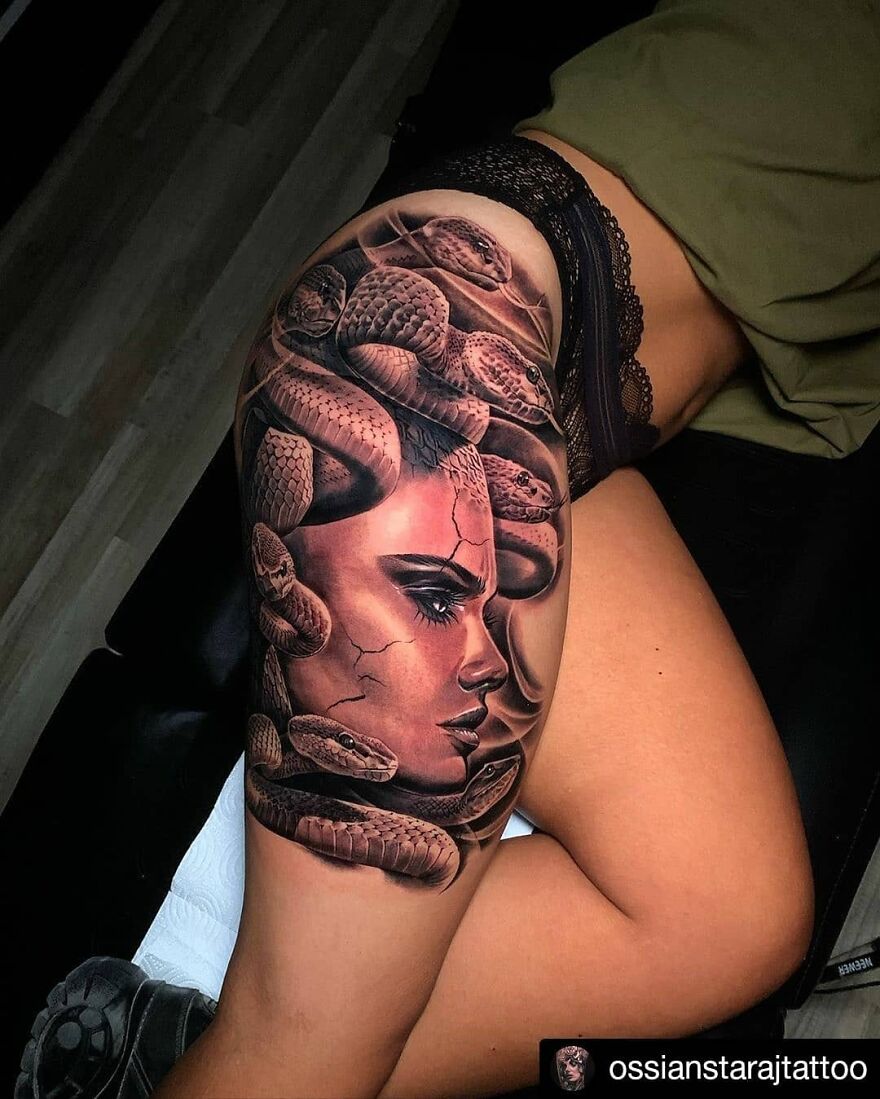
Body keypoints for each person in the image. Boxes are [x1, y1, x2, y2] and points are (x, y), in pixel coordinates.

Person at [20, 0, 878, 1094]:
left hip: (549, 408)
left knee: (732, 922)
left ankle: (162, 1055)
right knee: (307, 1040)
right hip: (456, 337)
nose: (485, 661)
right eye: (434, 599)